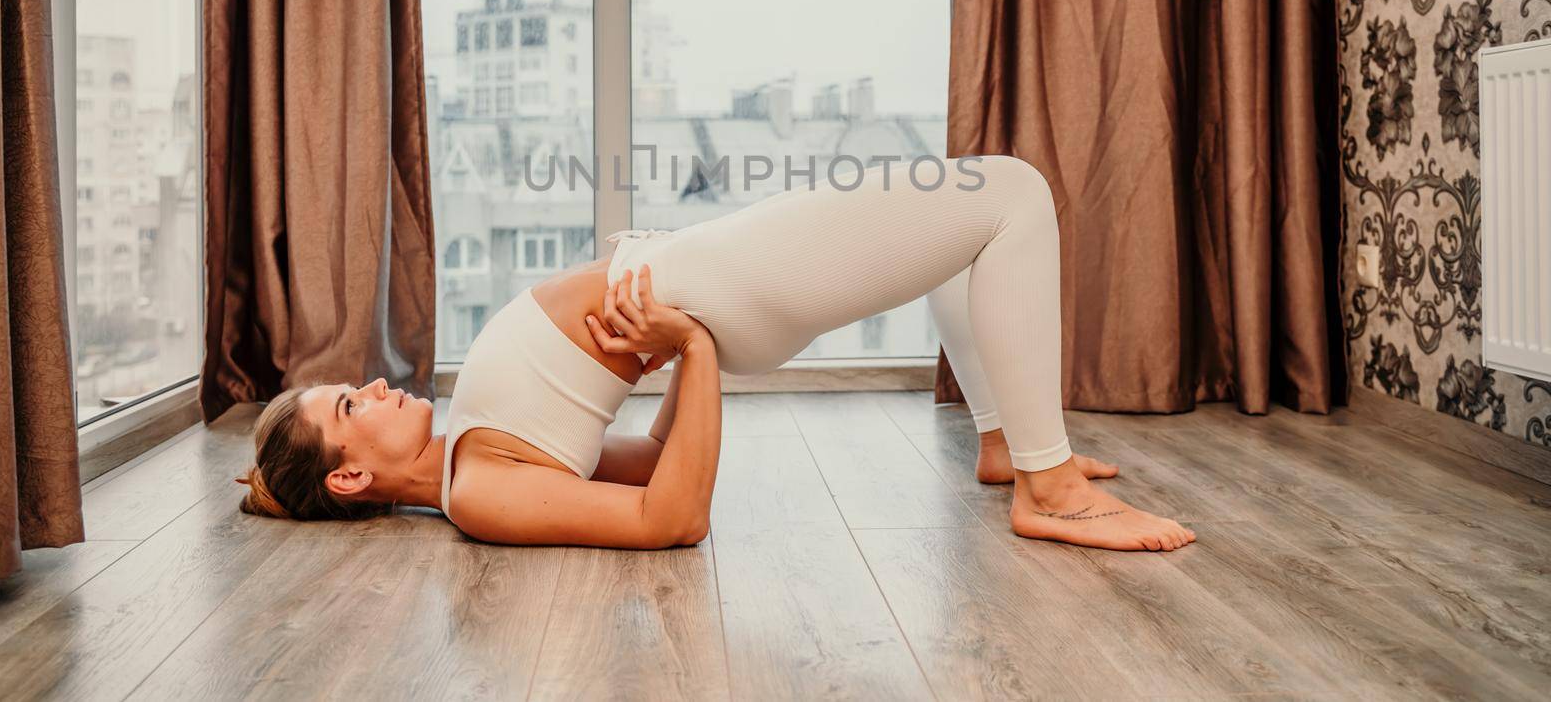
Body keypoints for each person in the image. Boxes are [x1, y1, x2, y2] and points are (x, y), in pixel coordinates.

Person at [236, 155, 1196, 553]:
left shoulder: (474, 454)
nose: (369, 385)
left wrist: (677, 341)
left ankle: (1006, 441)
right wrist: (690, 341)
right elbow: (673, 516)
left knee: (960, 217)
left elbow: (651, 464)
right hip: (712, 292)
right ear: (355, 474)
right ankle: (1048, 487)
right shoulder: (479, 492)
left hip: (702, 279)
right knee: (1013, 194)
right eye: (349, 406)